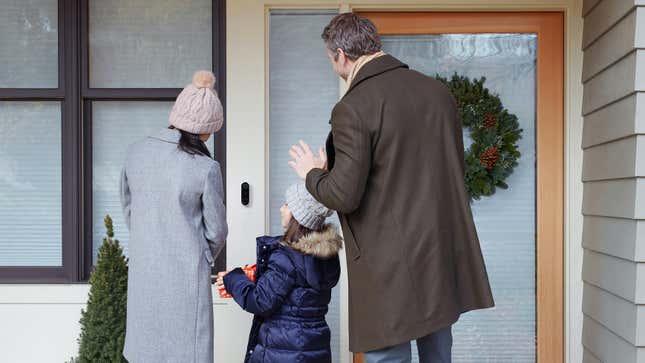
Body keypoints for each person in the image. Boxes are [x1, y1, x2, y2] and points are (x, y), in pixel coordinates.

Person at [288, 13, 495, 363]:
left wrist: (313, 174)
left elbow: (344, 195)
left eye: (331, 60)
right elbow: (445, 170)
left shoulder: (352, 108)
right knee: (438, 353)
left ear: (340, 54)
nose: (334, 67)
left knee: (388, 358)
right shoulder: (438, 93)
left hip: (389, 267)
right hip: (439, 255)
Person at [120, 70, 227, 363]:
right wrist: (201, 254)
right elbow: (217, 230)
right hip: (186, 279)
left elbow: (129, 209)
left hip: (144, 274)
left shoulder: (135, 153)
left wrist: (150, 238)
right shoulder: (204, 167)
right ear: (205, 129)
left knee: (145, 353)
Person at [216, 183, 342, 363]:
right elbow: (294, 290)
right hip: (315, 348)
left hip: (283, 351)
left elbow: (260, 301)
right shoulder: (325, 255)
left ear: (298, 216)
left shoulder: (287, 256)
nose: (281, 208)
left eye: (287, 204)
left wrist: (233, 278)